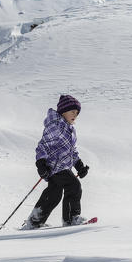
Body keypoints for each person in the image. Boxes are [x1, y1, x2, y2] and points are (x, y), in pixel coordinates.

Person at [23, 95, 90, 229]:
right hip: (55, 166)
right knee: (74, 185)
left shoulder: (69, 129)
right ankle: (71, 219)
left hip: (62, 167)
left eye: (77, 113)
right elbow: (43, 146)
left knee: (53, 194)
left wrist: (79, 166)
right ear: (63, 111)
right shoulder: (55, 126)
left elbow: (72, 151)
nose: (75, 115)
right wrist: (41, 164)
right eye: (72, 111)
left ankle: (35, 222)